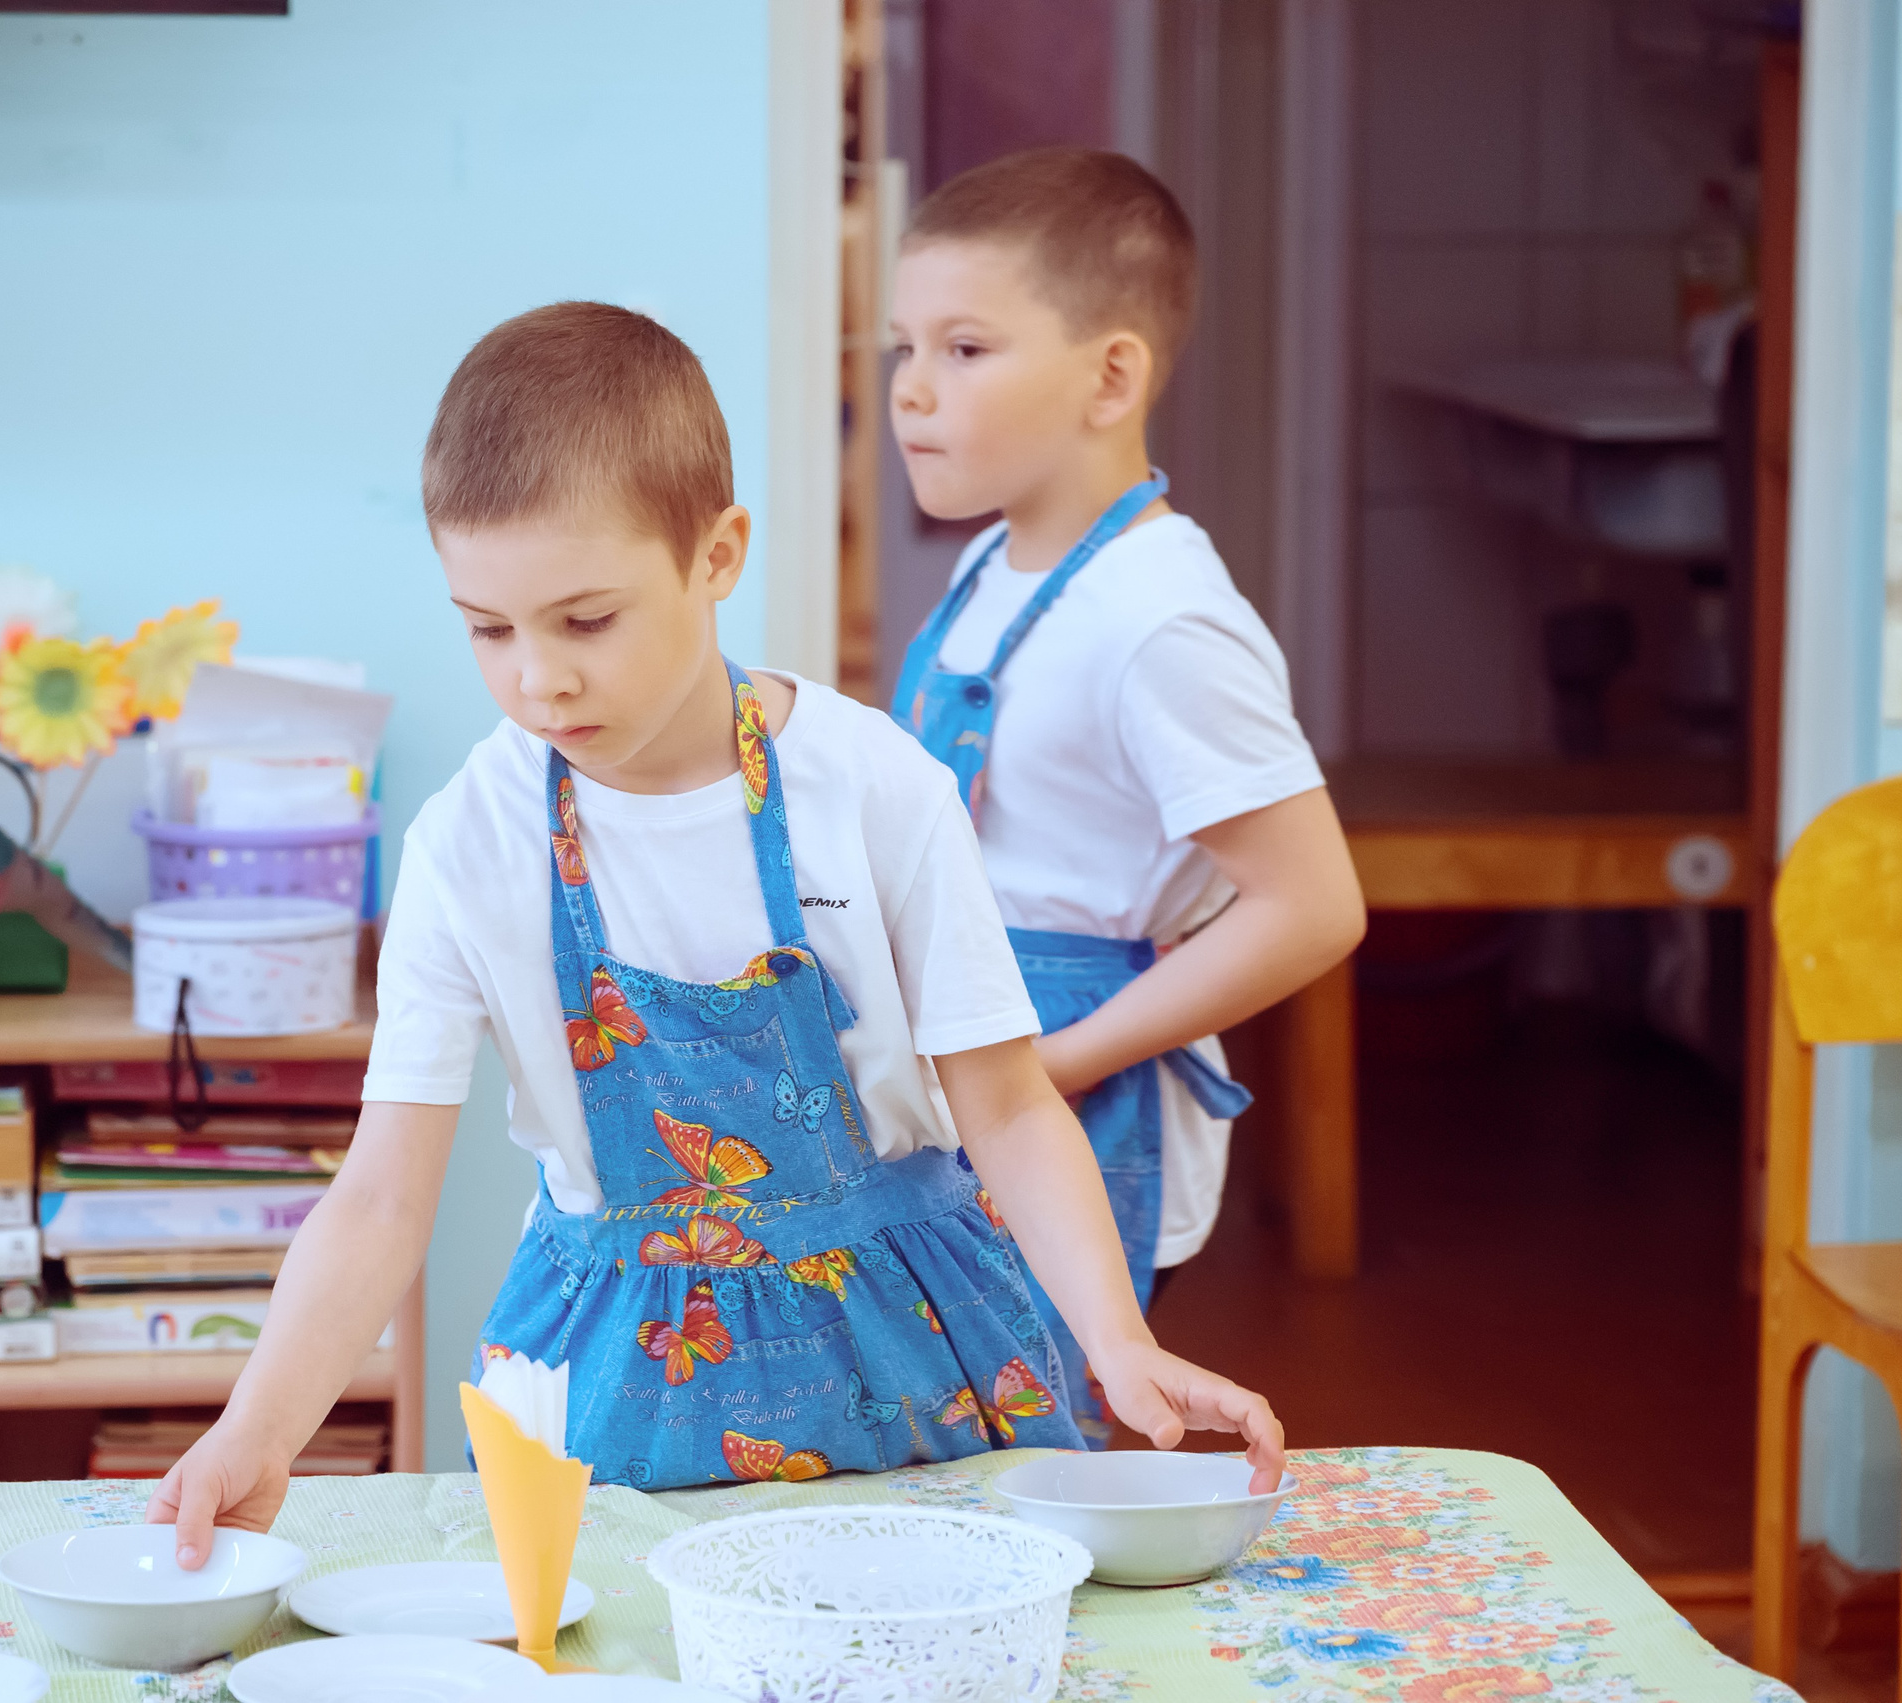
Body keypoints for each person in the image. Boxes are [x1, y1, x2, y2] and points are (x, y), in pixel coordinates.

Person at [153, 301, 1283, 1563]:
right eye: (486, 627)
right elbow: (376, 1201)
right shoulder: (468, 844)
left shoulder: (875, 788)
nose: (539, 679)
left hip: (921, 1355)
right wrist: (256, 1431)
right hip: (615, 1392)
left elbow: (1008, 1108)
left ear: (716, 554)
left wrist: (1118, 1339)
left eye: (586, 619)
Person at [886, 148, 1366, 1441]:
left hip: (1069, 1076)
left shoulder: (1162, 620)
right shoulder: (994, 558)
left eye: (966, 348)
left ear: (1111, 375)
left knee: (1052, 1450)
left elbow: (1314, 906)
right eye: (902, 347)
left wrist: (1051, 1062)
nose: (912, 391)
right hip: (975, 1054)